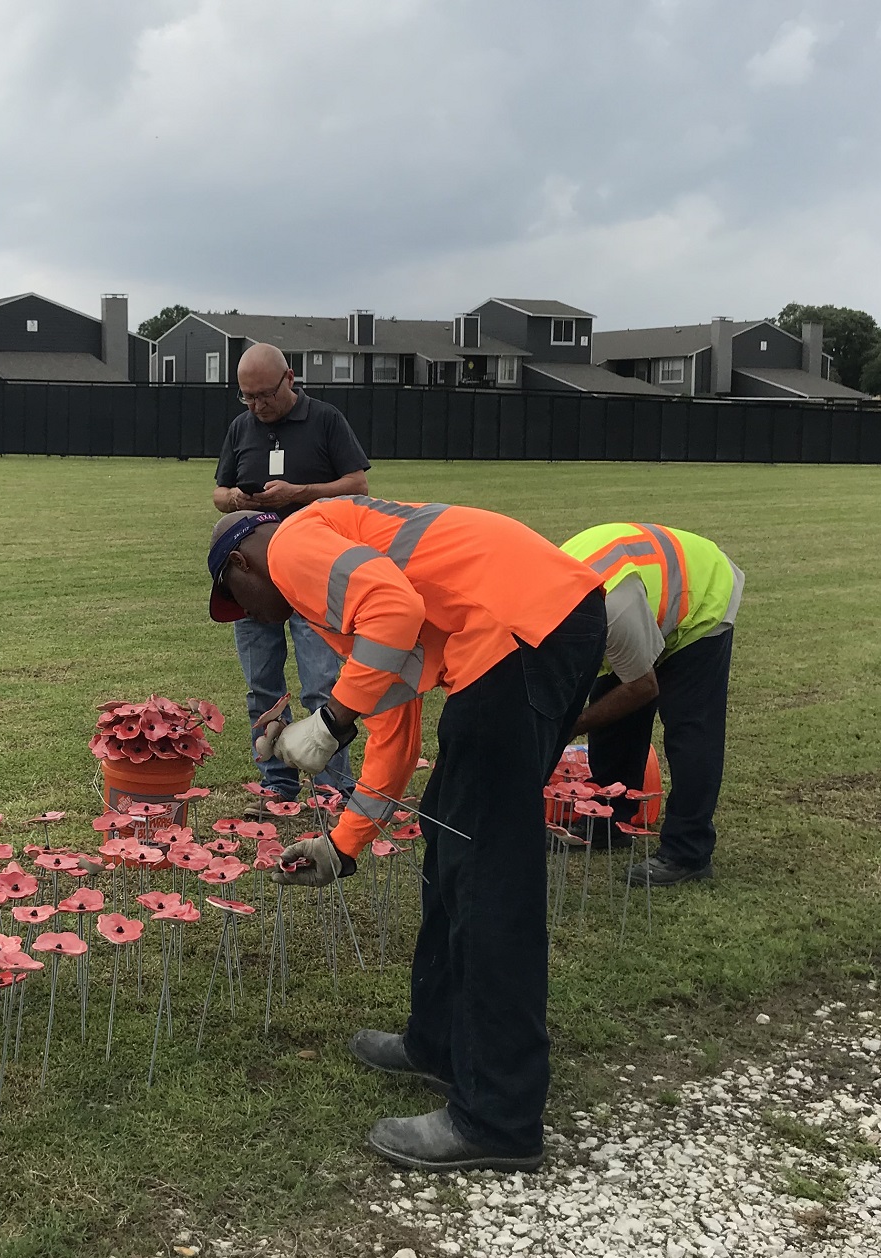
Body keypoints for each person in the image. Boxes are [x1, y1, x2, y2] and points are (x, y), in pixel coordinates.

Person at [208, 498, 605, 1173]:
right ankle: (440, 1043)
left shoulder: (294, 545)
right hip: (533, 629)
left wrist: (330, 721)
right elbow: (394, 721)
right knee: (450, 841)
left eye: (236, 599)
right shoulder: (336, 590)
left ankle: (498, 1116)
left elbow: (393, 611)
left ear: (244, 562)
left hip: (519, 636)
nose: (248, 615)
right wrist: (344, 843)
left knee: (490, 882)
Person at [212, 343, 370, 812]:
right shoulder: (241, 427)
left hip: (315, 573)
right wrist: (237, 499)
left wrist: (300, 492)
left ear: (290, 379)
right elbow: (218, 493)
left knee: (322, 683)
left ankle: (332, 788)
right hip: (253, 577)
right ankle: (277, 786)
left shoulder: (325, 420)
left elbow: (358, 485)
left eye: (264, 395)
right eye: (247, 397)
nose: (257, 406)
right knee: (262, 683)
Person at [559, 522, 743, 887]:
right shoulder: (556, 599)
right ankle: (607, 822)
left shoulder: (613, 607)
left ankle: (688, 851)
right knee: (610, 711)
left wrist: (572, 725)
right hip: (640, 596)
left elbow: (643, 687)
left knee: (690, 728)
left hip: (699, 597)